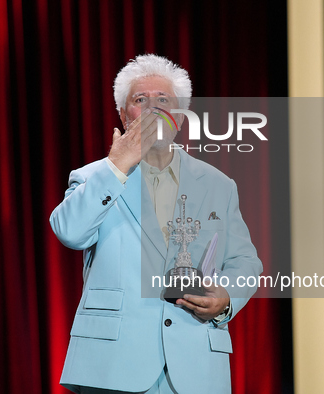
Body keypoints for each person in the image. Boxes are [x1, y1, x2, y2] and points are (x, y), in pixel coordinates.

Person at [50, 54, 262, 394]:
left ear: (179, 117)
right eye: (140, 100)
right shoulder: (93, 177)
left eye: (163, 100)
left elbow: (245, 261)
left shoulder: (218, 184)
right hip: (114, 366)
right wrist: (116, 166)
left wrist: (226, 298)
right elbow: (70, 232)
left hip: (196, 365)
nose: (153, 108)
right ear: (123, 114)